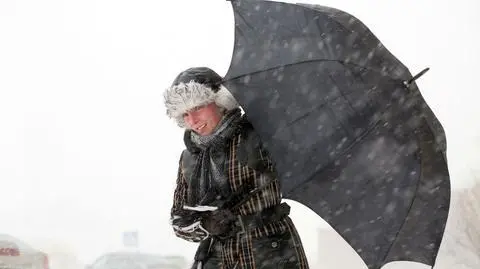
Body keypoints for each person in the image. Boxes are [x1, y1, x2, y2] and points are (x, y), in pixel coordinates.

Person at [163, 67, 310, 269]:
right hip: (217, 258)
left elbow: (302, 158)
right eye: (185, 114)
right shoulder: (190, 159)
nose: (193, 121)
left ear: (220, 101)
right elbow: (179, 221)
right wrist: (207, 225)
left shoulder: (258, 134)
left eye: (198, 108)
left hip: (269, 252)